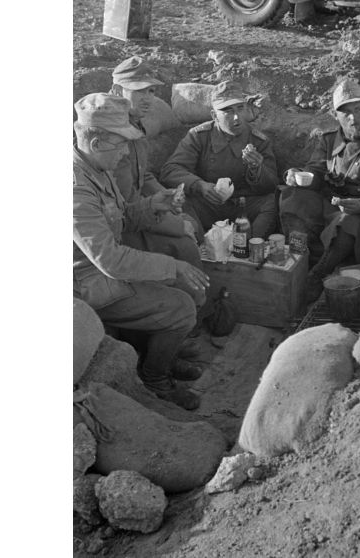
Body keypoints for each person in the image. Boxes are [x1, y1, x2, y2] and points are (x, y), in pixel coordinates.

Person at [73, 93, 210, 410]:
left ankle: (160, 356)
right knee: (181, 308)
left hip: (105, 271)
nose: (125, 151)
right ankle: (156, 380)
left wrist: (152, 206)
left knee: (184, 289)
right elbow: (109, 259)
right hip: (87, 286)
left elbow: (121, 217)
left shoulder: (96, 166)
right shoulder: (75, 188)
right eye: (121, 144)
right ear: (96, 143)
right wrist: (172, 266)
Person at [279, 78, 360, 301]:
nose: (353, 118)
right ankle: (299, 257)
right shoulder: (328, 141)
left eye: (358, 109)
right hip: (334, 208)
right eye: (345, 112)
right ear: (335, 115)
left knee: (348, 221)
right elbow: (315, 172)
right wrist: (298, 176)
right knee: (292, 195)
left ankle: (319, 272)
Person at [108, 56, 207, 321]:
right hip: (117, 230)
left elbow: (144, 175)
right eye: (139, 90)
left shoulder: (135, 124)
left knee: (189, 216)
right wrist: (175, 225)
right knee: (184, 244)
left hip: (138, 211)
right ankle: (188, 317)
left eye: (151, 90)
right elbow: (126, 207)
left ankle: (192, 313)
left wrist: (168, 195)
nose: (148, 98)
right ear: (118, 91)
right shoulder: (111, 132)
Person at [160, 80, 278, 239]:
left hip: (243, 207)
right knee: (180, 200)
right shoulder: (198, 136)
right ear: (214, 115)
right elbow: (170, 171)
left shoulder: (259, 141)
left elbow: (271, 185)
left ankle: (250, 249)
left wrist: (257, 169)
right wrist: (200, 185)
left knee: (270, 203)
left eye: (240, 108)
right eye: (227, 111)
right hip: (207, 205)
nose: (236, 117)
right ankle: (199, 246)